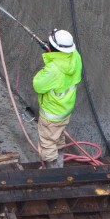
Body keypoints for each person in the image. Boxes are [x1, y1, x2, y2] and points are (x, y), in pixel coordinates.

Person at [32, 29, 83, 168]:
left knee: (47, 143)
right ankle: (59, 164)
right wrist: (52, 54)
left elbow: (38, 85)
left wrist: (50, 58)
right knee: (58, 138)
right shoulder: (75, 57)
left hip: (51, 115)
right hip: (65, 111)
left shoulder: (53, 70)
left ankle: (53, 172)